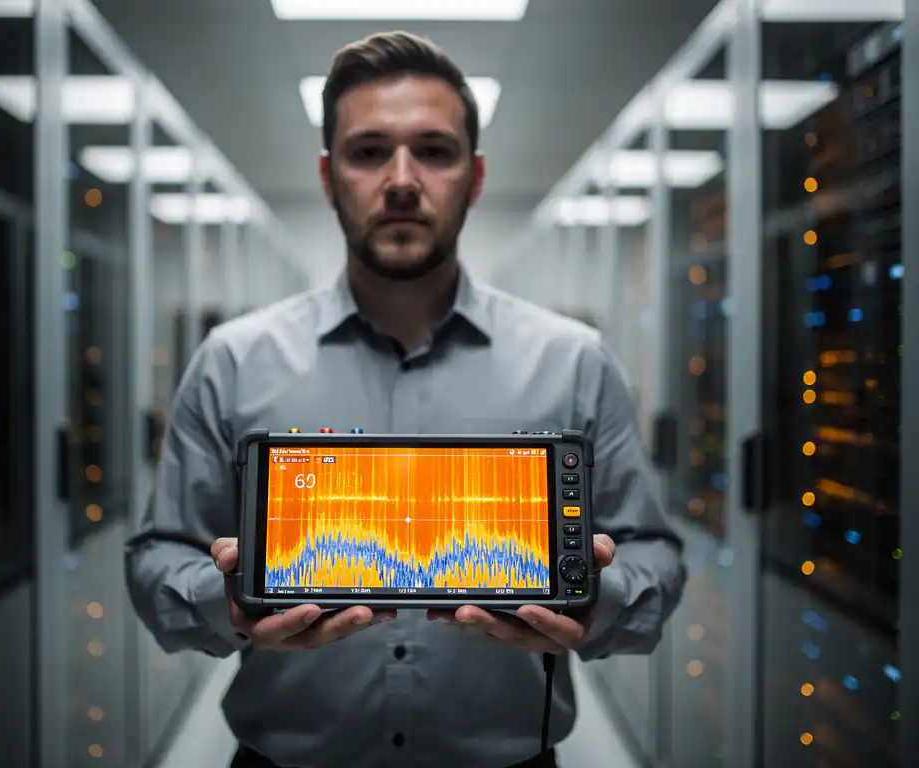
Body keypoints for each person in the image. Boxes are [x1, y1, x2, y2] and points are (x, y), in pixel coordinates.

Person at [126, 30, 686, 768]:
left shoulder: (573, 360)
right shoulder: (233, 360)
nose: (400, 179)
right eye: (368, 152)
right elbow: (157, 556)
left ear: (475, 176)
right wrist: (224, 600)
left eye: (433, 149)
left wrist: (593, 599)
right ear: (328, 177)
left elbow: (653, 556)